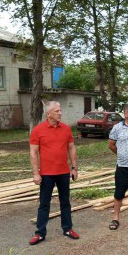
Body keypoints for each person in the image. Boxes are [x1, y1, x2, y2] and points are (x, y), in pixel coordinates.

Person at [28, 101, 80, 245]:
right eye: (57, 111)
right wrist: (35, 173)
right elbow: (33, 152)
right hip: (46, 174)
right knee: (44, 204)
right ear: (48, 113)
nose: (60, 113)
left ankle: (67, 229)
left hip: (63, 172)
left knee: (65, 202)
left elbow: (71, 148)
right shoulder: (38, 130)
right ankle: (40, 233)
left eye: (60, 110)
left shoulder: (66, 129)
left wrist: (74, 168)